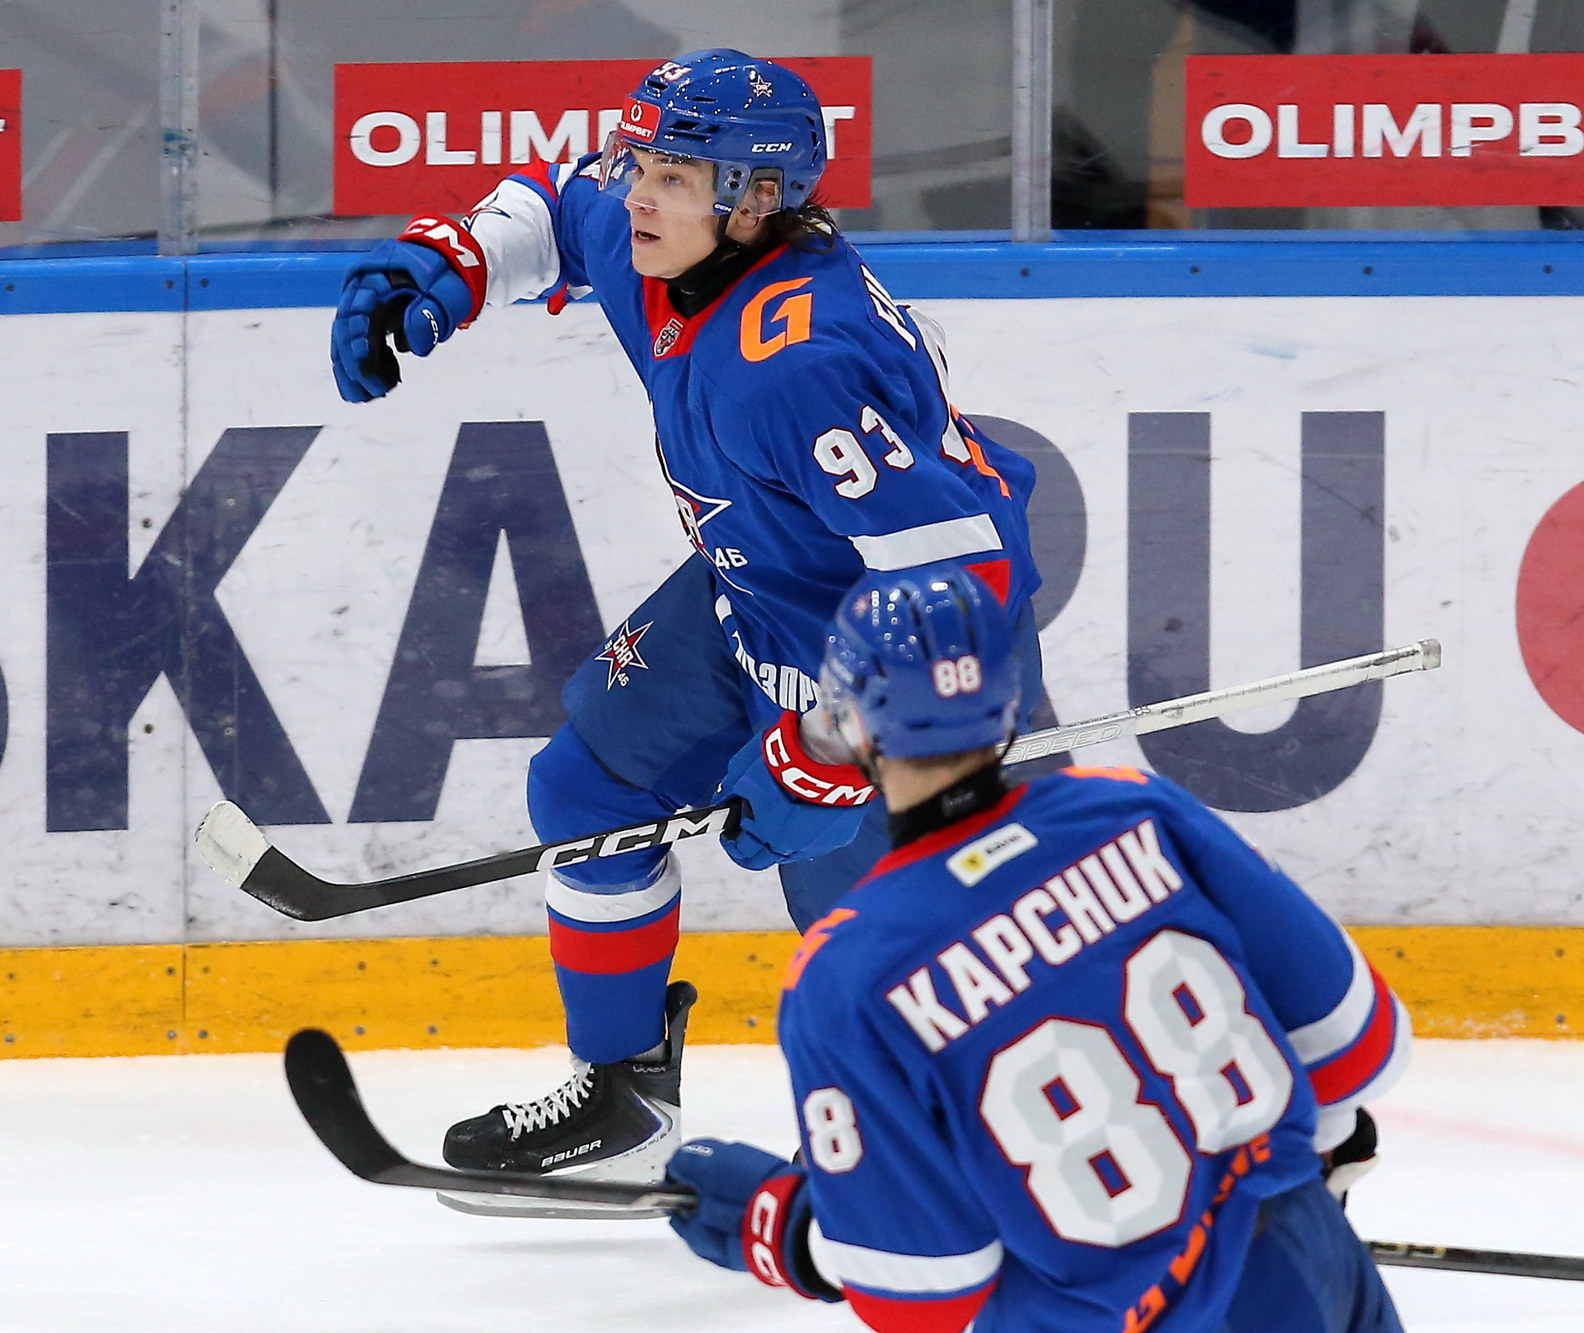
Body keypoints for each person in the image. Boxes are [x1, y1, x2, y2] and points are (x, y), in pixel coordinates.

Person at [330, 50, 1045, 1204]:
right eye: (639, 162)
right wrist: (443, 264)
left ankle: (960, 1179)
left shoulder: (796, 365)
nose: (635, 194)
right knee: (588, 788)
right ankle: (621, 1099)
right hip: (749, 592)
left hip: (888, 659)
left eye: (670, 175)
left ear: (756, 198)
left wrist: (830, 749)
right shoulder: (661, 242)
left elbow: (967, 573)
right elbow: (557, 206)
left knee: (870, 953)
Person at [665, 565, 1406, 1331]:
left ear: (850, 722)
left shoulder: (846, 972)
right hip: (1309, 1268)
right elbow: (1360, 1044)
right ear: (1012, 696)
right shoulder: (1136, 809)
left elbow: (922, 1291)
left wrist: (788, 1228)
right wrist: (1303, 1167)